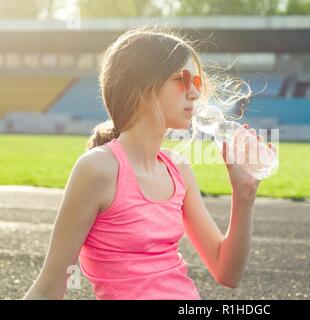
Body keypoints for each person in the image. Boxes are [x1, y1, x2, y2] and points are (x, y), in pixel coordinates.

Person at [23, 26, 276, 300]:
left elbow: (227, 273)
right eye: (183, 79)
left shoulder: (178, 169)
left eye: (198, 83)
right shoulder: (98, 169)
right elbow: (49, 287)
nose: (194, 93)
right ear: (142, 86)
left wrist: (244, 194)